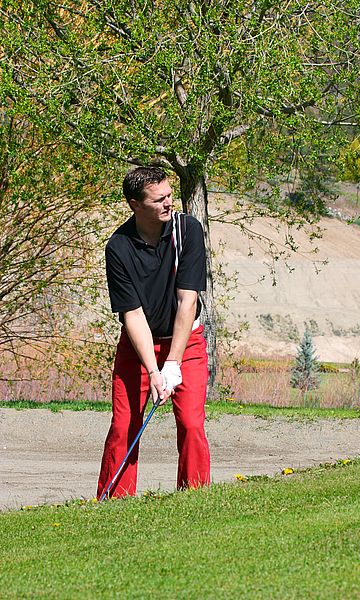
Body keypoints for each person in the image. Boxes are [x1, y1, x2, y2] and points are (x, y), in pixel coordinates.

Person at [96, 165, 210, 499]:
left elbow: (187, 301)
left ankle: (195, 498)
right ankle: (114, 502)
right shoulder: (118, 247)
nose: (168, 203)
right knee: (124, 426)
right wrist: (153, 369)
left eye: (170, 195)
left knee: (190, 423)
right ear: (135, 204)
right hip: (138, 347)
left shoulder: (186, 230)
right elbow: (132, 315)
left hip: (185, 344)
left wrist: (172, 363)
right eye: (159, 199)